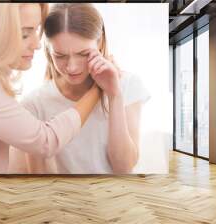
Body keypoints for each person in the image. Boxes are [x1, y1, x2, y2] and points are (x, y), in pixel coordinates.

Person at [0, 3, 101, 174]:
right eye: (24, 34)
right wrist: (97, 89)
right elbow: (46, 141)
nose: (37, 44)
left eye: (36, 30)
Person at [9, 3, 150, 174]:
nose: (72, 67)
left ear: (100, 42)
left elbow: (124, 167)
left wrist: (114, 95)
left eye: (83, 54)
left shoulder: (128, 84)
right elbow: (39, 180)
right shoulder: (34, 103)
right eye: (60, 56)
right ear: (47, 49)